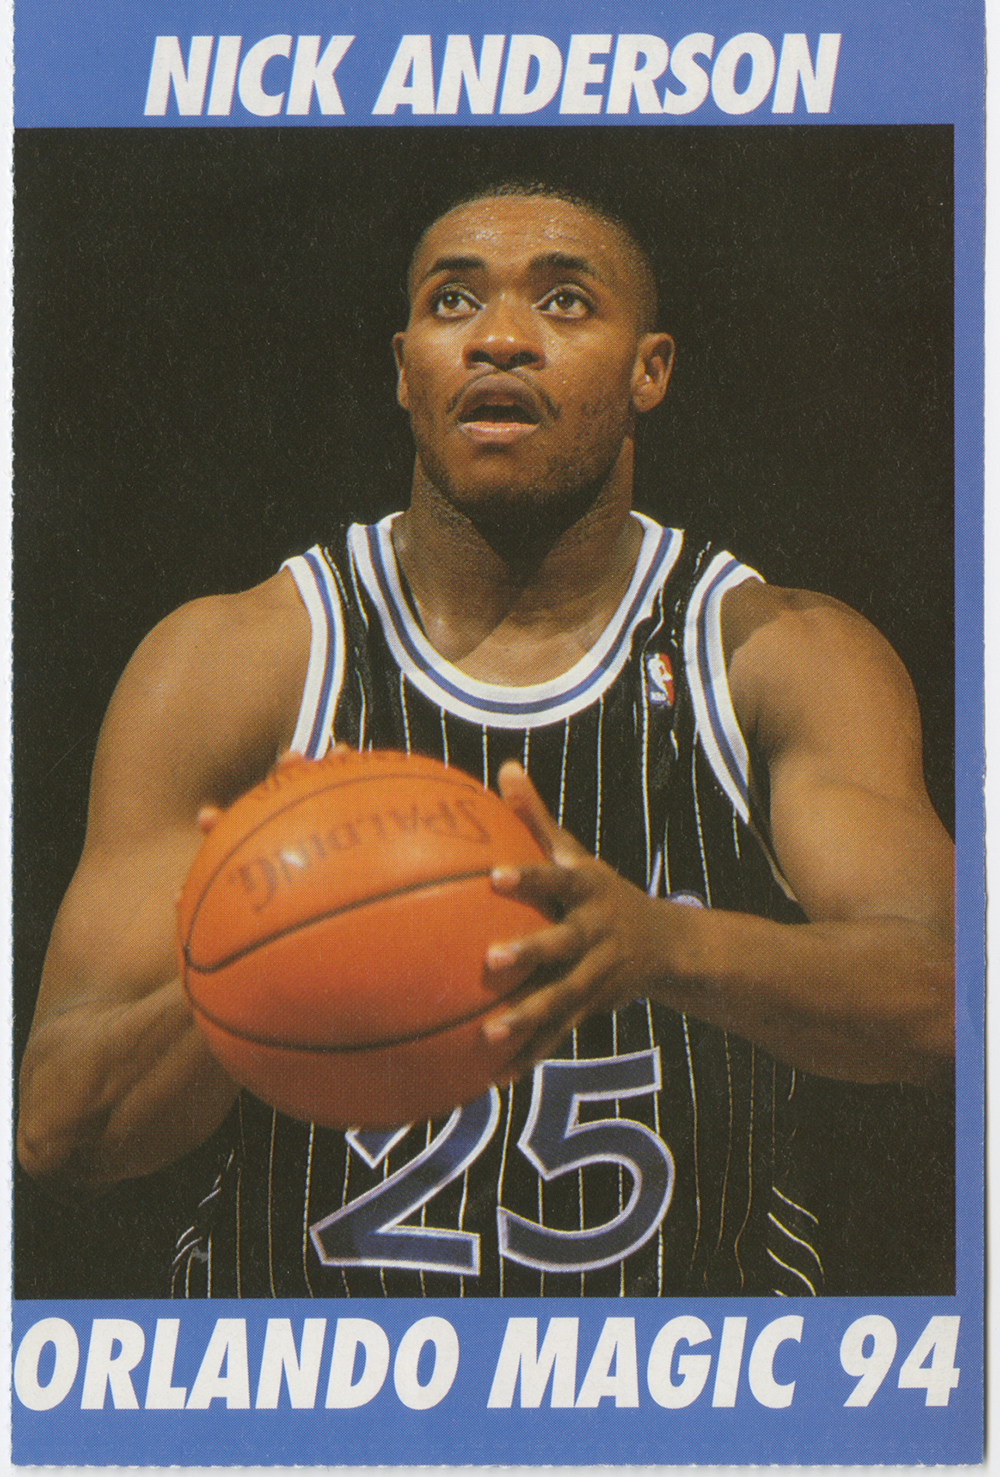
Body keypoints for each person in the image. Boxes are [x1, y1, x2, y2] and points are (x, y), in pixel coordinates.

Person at [17, 182, 954, 1298]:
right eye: (453, 300)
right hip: (313, 1376)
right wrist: (261, 961)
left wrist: (661, 945)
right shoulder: (235, 663)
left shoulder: (777, 653)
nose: (499, 337)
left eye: (564, 301)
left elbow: (948, 998)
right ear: (404, 368)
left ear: (650, 370)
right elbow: (59, 1125)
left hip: (675, 1376)